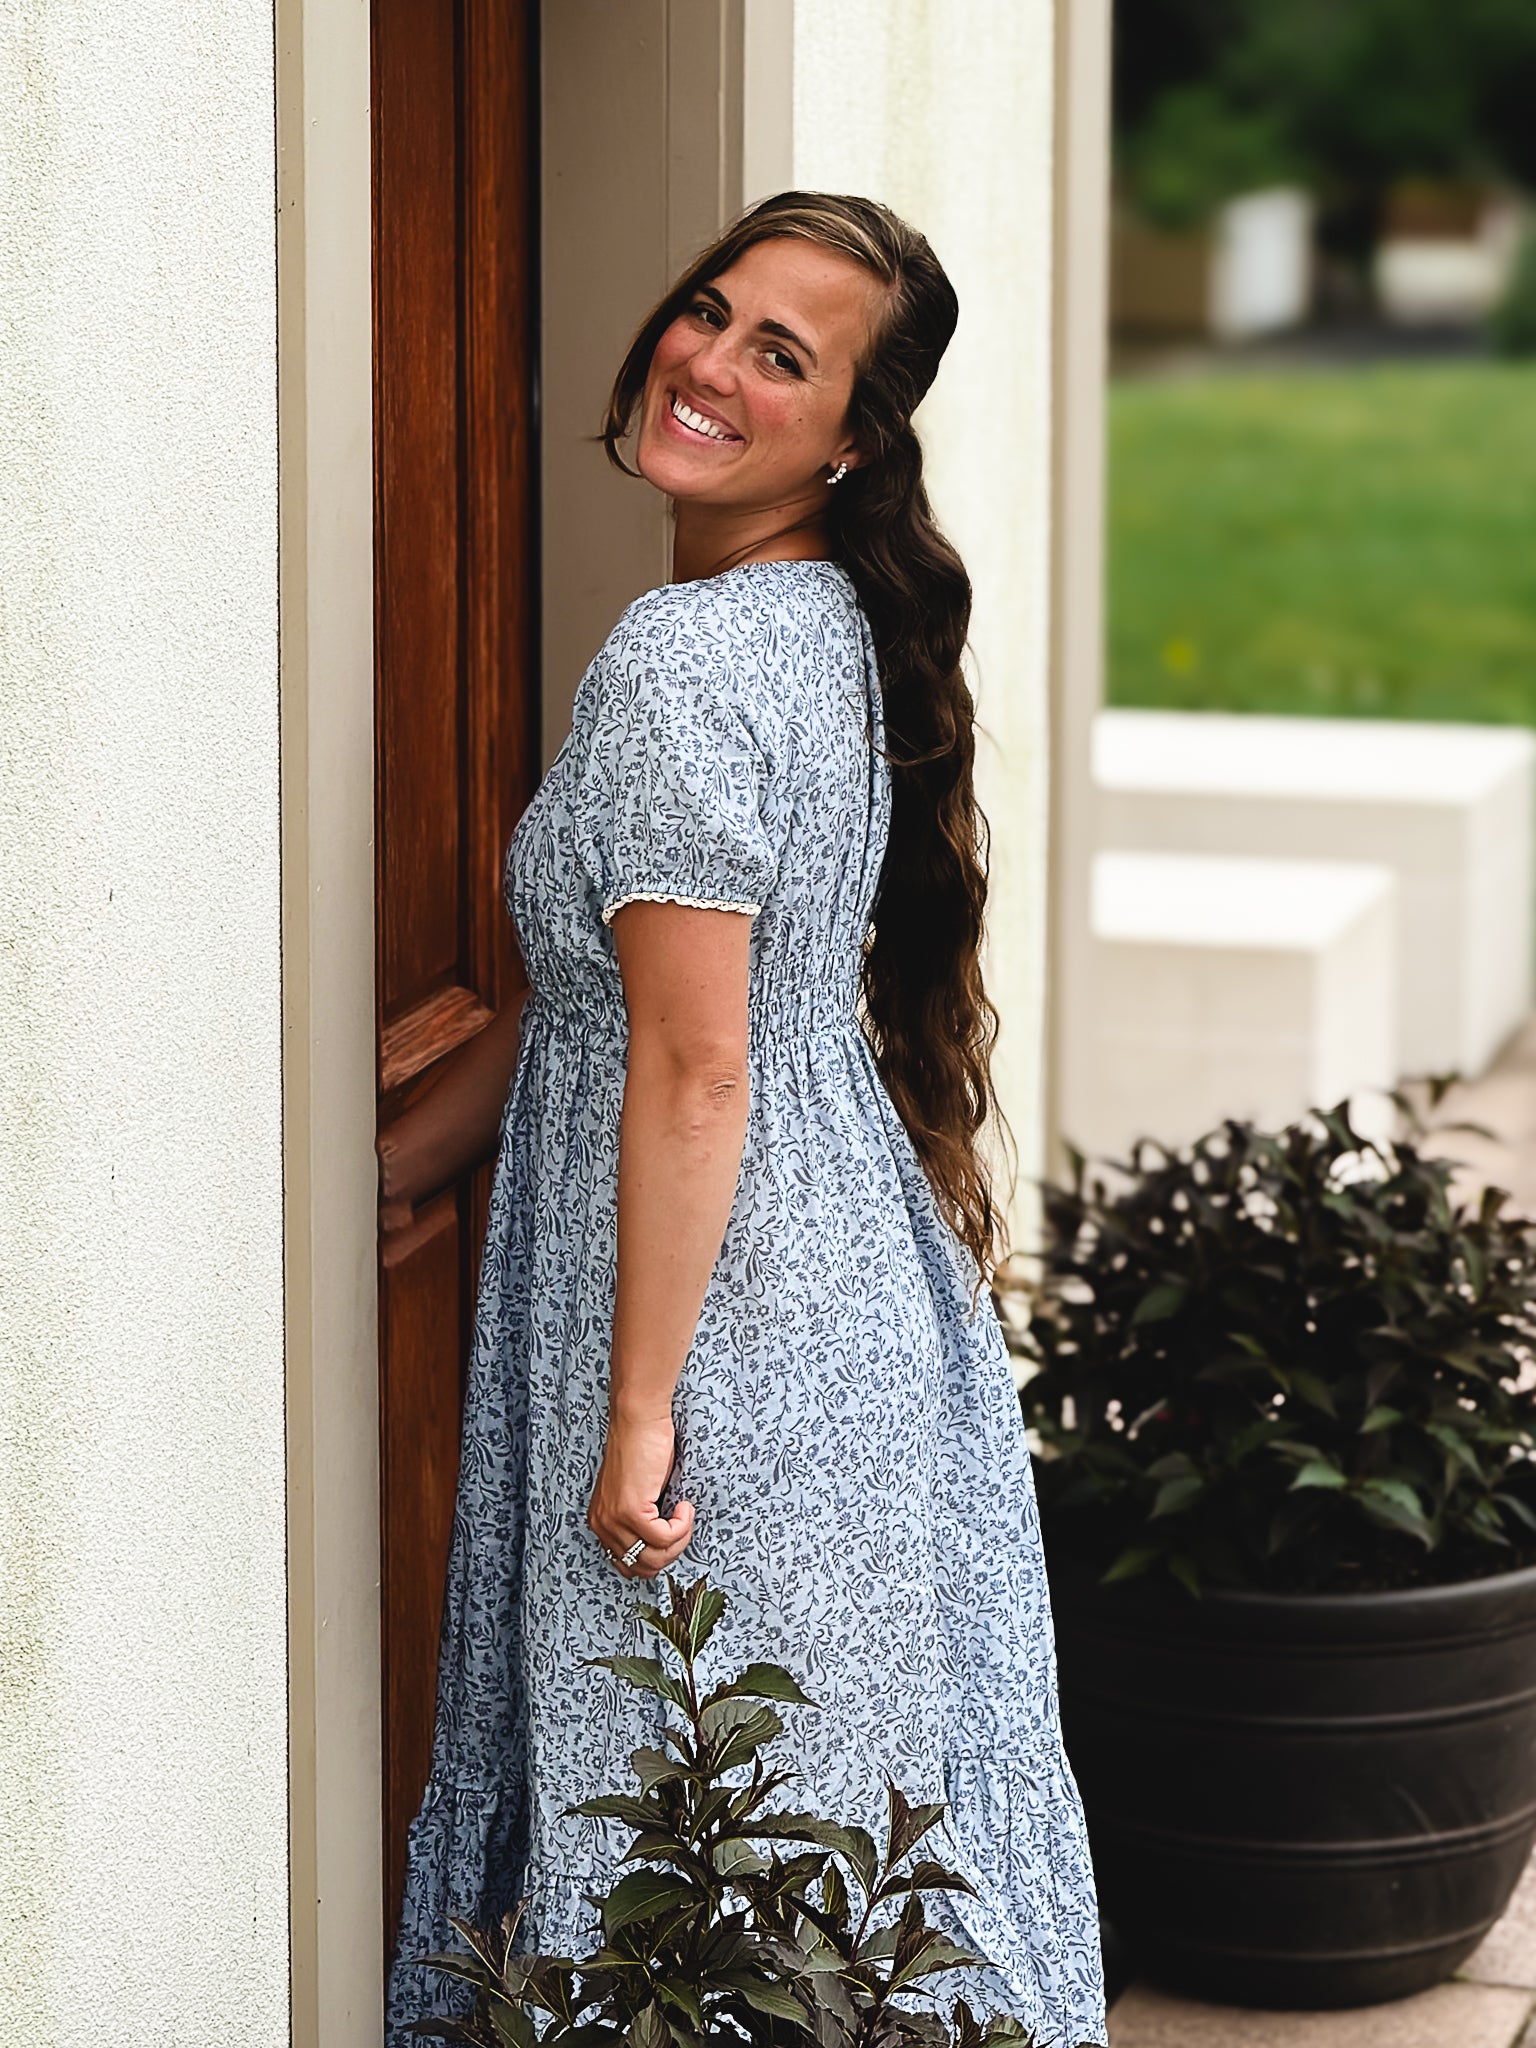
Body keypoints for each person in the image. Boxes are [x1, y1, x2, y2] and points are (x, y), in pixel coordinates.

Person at [381, 190, 1108, 2048]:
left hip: (728, 1344)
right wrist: (381, 1172)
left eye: (781, 353)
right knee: (833, 1869)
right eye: (710, 310)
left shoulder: (688, 661)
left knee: (701, 1858)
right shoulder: (806, 630)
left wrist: (638, 1414)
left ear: (851, 438)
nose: (705, 361)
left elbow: (693, 1064)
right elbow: (593, 1002)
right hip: (830, 1303)